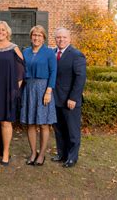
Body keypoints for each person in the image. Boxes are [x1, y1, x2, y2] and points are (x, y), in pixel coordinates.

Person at [20, 25, 57, 166]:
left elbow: (53, 73)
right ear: (31, 37)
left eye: (39, 35)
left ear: (44, 38)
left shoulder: (49, 53)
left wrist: (48, 91)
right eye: (34, 35)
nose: (36, 38)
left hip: (43, 89)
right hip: (28, 88)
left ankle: (41, 154)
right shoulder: (26, 52)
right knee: (30, 123)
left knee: (43, 123)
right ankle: (33, 152)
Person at [0, 21, 24, 166]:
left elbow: (21, 70)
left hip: (9, 89)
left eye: (3, 30)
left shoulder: (13, 48)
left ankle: (6, 152)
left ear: (7, 32)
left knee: (5, 121)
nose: (0, 32)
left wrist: (15, 90)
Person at [52, 28, 86, 168]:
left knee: (72, 130)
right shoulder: (53, 53)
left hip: (70, 100)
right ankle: (62, 154)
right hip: (55, 98)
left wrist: (73, 97)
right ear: (55, 39)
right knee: (59, 129)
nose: (61, 40)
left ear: (69, 39)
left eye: (64, 37)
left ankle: (72, 158)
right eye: (59, 37)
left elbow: (80, 78)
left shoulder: (76, 55)